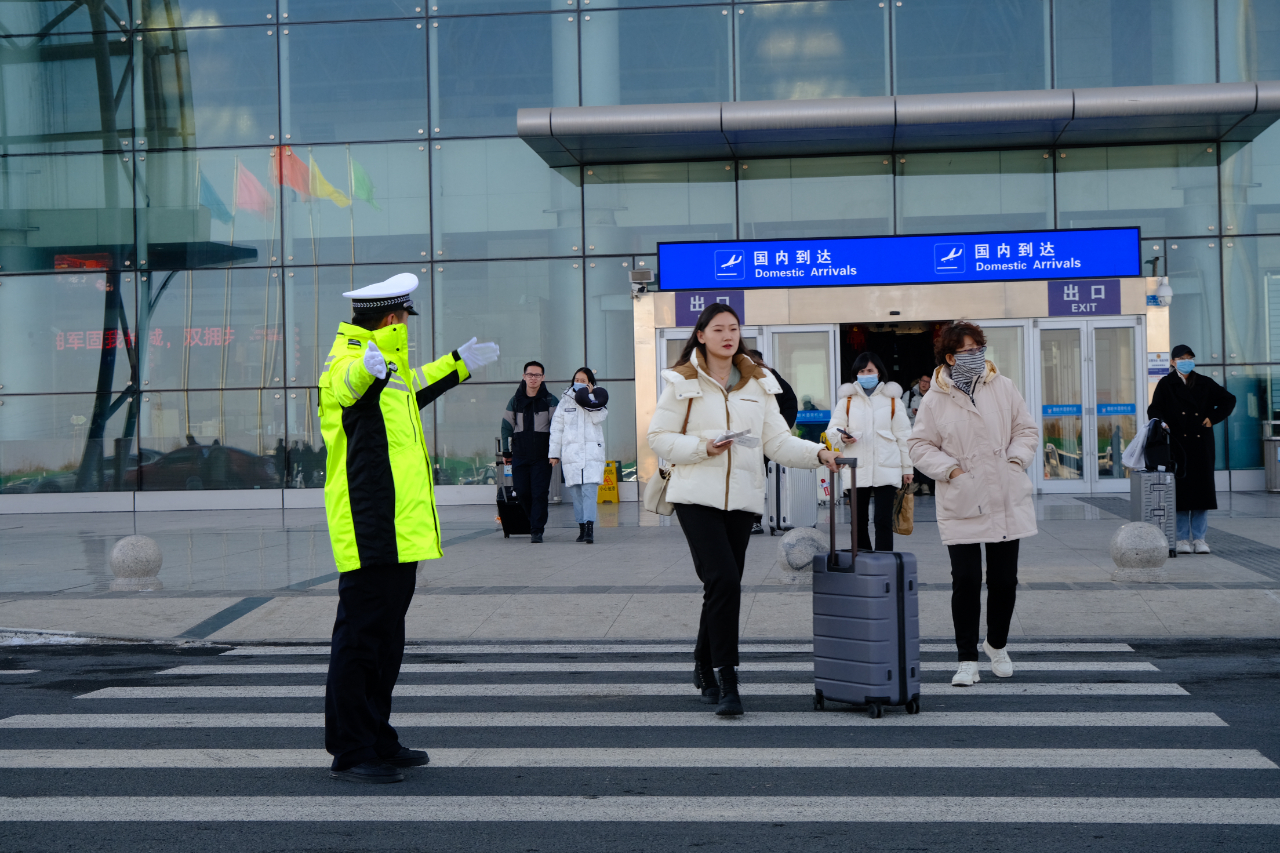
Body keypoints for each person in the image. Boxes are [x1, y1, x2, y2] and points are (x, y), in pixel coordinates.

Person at [319, 272, 498, 783]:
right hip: (370, 522)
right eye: (404, 318)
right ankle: (352, 749)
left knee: (385, 641)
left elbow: (411, 388)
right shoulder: (350, 358)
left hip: (396, 524)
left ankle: (377, 736)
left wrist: (458, 364)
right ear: (391, 318)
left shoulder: (387, 364)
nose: (406, 326)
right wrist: (365, 373)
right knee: (360, 640)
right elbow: (347, 385)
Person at [649, 303, 840, 716]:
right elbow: (658, 437)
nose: (727, 335)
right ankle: (727, 678)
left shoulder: (759, 382)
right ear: (701, 335)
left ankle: (703, 663)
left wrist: (819, 454)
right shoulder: (682, 381)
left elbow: (777, 442)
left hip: (742, 499)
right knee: (724, 579)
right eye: (718, 329)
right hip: (694, 496)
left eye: (733, 328)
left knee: (723, 584)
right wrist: (703, 447)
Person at [907, 321, 1037, 688]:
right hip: (963, 495)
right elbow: (919, 445)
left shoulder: (1003, 386)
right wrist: (952, 471)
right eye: (967, 351)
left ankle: (997, 644)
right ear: (950, 357)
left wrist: (1015, 460)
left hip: (1004, 493)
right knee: (965, 580)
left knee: (1004, 580)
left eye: (979, 349)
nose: (976, 356)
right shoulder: (935, 398)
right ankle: (966, 659)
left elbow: (1025, 430)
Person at [1147, 344, 1236, 554]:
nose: (1186, 362)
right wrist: (1162, 422)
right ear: (1173, 362)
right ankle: (1181, 539)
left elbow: (1228, 400)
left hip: (1201, 443)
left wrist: (1212, 418)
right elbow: (1155, 408)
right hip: (1177, 443)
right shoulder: (1166, 383)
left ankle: (1199, 539)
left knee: (1202, 492)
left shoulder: (1204, 382)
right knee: (1181, 493)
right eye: (1181, 358)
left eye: (1189, 358)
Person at [825, 353, 913, 552]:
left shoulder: (893, 401)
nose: (866, 374)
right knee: (858, 521)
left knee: (883, 520)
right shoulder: (847, 401)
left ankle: (884, 561)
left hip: (887, 467)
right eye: (862, 371)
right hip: (856, 468)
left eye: (870, 370)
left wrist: (907, 468)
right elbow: (832, 430)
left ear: (879, 373)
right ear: (856, 374)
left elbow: (904, 437)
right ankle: (861, 561)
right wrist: (842, 437)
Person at [549, 367, 609, 544]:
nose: (579, 383)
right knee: (576, 494)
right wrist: (554, 454)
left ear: (590, 383)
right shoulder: (565, 402)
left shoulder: (597, 399)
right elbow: (557, 429)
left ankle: (590, 528)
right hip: (572, 455)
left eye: (583, 380)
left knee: (589, 491)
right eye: (577, 380)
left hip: (591, 454)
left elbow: (599, 418)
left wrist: (589, 398)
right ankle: (581, 527)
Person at [501, 361, 559, 543]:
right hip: (520, 455)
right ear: (524, 376)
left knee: (539, 493)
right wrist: (506, 452)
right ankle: (533, 522)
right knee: (522, 492)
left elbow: (558, 429)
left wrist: (555, 453)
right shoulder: (515, 401)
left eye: (537, 375)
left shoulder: (550, 401)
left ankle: (537, 530)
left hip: (542, 457)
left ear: (543, 377)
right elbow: (506, 427)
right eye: (530, 374)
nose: (533, 378)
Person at [746, 349, 798, 534]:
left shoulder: (776, 381)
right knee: (752, 481)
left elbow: (790, 405)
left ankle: (782, 518)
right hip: (749, 442)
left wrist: (779, 430)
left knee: (778, 481)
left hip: (772, 440)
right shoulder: (741, 382)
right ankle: (753, 520)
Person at [903, 374, 935, 495]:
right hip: (911, 430)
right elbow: (900, 410)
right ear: (919, 381)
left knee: (925, 457)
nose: (924, 383)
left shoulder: (933, 395)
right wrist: (912, 411)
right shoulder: (909, 394)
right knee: (912, 457)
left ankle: (925, 484)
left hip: (927, 431)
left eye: (928, 382)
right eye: (923, 381)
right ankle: (914, 483)